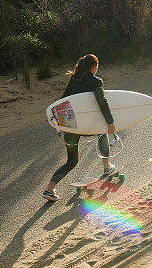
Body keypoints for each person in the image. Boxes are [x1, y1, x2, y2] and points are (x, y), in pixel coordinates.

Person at [43, 53, 116, 201]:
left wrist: (63, 126)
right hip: (87, 125)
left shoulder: (73, 81)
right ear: (94, 67)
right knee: (102, 132)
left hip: (72, 126)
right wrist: (110, 122)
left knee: (72, 161)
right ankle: (107, 167)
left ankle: (49, 189)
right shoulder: (96, 81)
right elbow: (102, 101)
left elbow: (61, 103)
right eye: (97, 67)